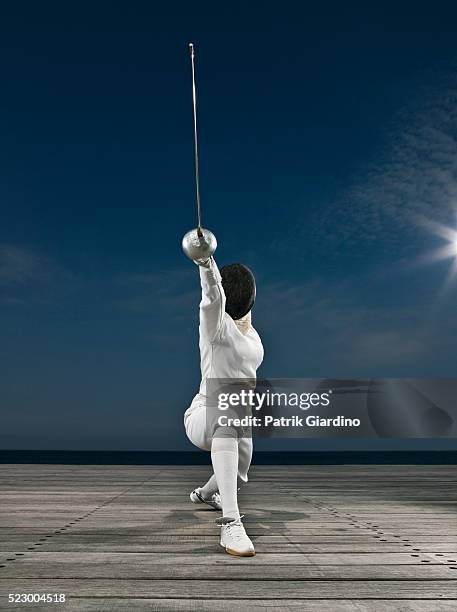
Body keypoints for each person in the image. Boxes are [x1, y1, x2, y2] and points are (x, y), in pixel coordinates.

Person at [184, 255, 264, 556]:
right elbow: (211, 299)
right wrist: (206, 263)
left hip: (237, 411)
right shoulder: (216, 328)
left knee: (239, 470)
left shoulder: (252, 332)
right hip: (204, 413)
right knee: (227, 422)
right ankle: (231, 523)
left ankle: (206, 494)